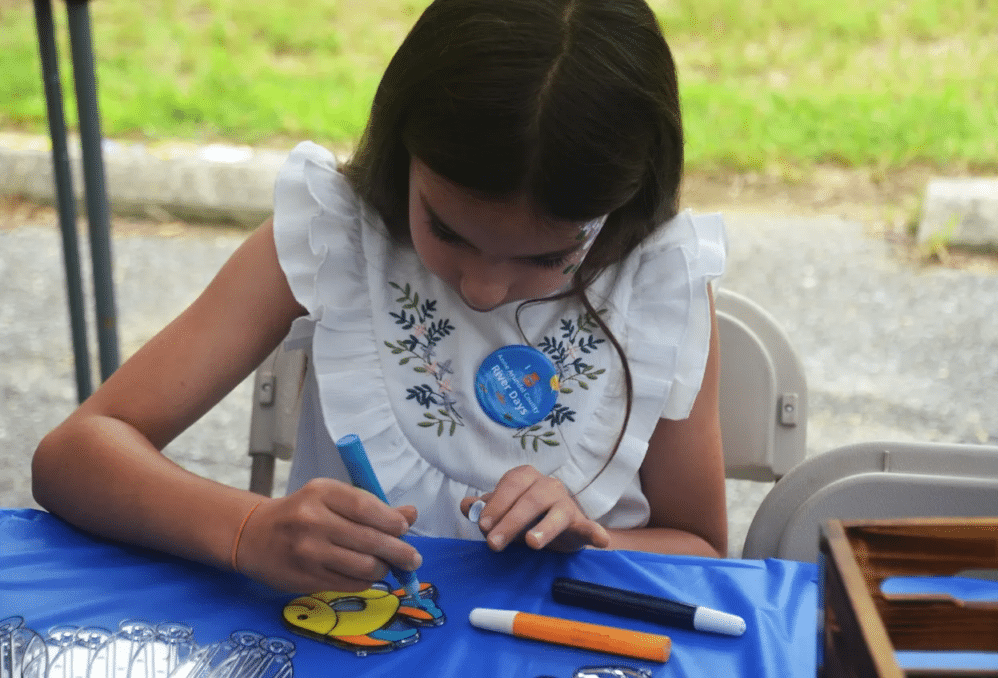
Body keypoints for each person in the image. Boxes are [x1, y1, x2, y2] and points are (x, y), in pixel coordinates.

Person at [32, 0, 728, 596]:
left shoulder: (656, 285)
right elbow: (75, 457)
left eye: (549, 255)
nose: (484, 287)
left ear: (622, 201)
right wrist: (248, 530)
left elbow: (702, 545)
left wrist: (595, 543)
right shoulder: (335, 236)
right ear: (403, 149)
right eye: (447, 230)